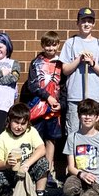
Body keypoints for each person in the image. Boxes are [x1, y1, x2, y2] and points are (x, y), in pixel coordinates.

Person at [0, 102, 51, 196]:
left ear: (27, 123)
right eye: (16, 122)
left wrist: (27, 164)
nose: (19, 127)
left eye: (23, 123)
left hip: (27, 170)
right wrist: (6, 164)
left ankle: (39, 194)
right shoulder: (2, 138)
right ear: (9, 121)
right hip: (10, 172)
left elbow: (41, 149)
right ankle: (8, 192)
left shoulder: (31, 131)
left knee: (43, 162)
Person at [58, 7, 99, 137]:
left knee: (94, 131)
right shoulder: (71, 43)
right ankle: (72, 157)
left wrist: (92, 63)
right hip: (75, 96)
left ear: (93, 24)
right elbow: (65, 70)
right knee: (73, 132)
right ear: (78, 23)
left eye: (89, 21)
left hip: (94, 96)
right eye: (83, 21)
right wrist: (78, 60)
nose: (86, 24)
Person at [23, 31, 63, 176]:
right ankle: (35, 170)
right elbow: (32, 85)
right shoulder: (36, 62)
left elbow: (64, 86)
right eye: (47, 45)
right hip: (38, 107)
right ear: (42, 45)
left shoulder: (61, 63)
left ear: (58, 45)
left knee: (51, 139)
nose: (50, 49)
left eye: (53, 45)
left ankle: (48, 171)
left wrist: (61, 103)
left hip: (54, 108)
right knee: (36, 138)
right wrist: (48, 97)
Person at [62, 98, 99, 196]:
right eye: (84, 114)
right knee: (68, 190)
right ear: (79, 116)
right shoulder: (72, 138)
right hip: (79, 177)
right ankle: (85, 195)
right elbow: (71, 167)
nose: (87, 117)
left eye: (91, 114)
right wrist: (81, 174)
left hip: (97, 182)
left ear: (97, 117)